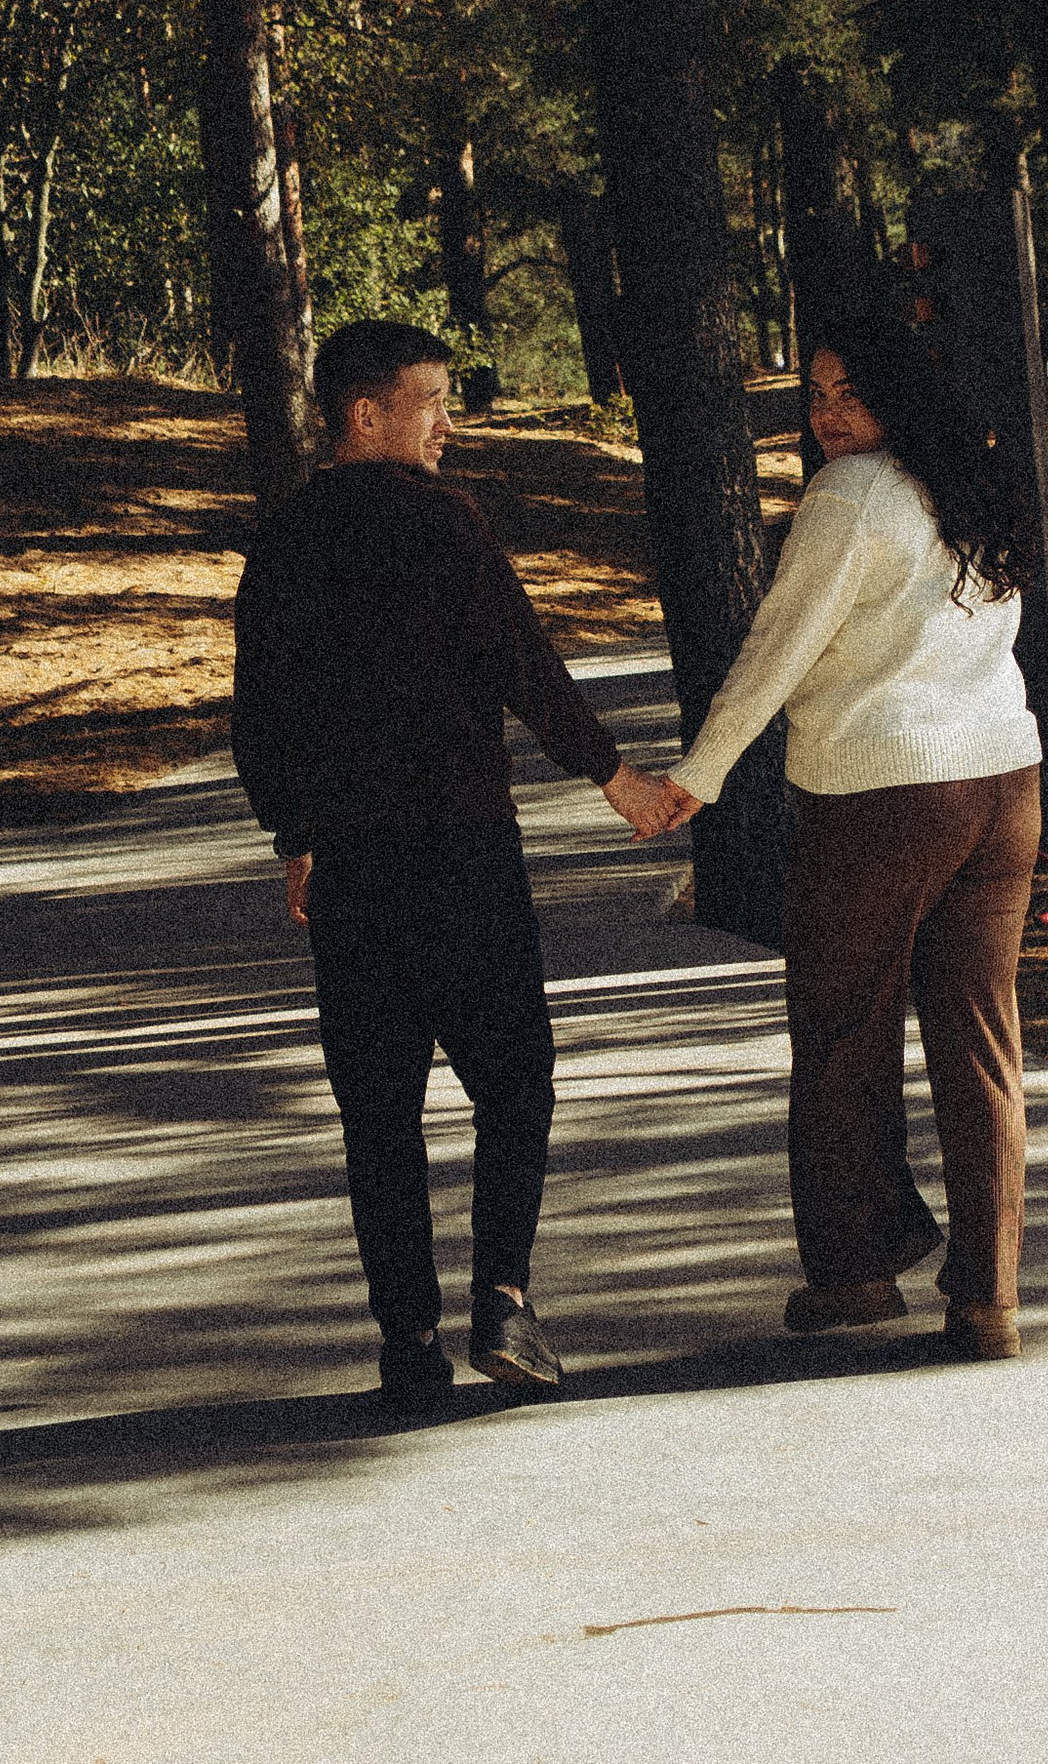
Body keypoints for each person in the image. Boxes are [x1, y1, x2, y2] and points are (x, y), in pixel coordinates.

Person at [231, 317, 666, 1415]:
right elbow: (522, 661)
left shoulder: (281, 541)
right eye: (430, 402)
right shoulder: (444, 524)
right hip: (462, 852)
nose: (447, 424)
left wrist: (295, 838)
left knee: (379, 1109)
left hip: (354, 874)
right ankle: (504, 1297)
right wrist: (614, 779)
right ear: (363, 414)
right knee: (513, 1080)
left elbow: (258, 716)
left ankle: (408, 1342)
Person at [657, 306, 1044, 1362]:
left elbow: (781, 648)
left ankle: (856, 1272)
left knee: (840, 1034)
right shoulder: (971, 483)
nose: (827, 414)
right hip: (1003, 785)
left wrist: (700, 773)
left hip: (881, 794)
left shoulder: (848, 497)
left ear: (898, 395)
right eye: (814, 394)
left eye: (850, 393)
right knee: (982, 1045)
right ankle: (988, 1298)